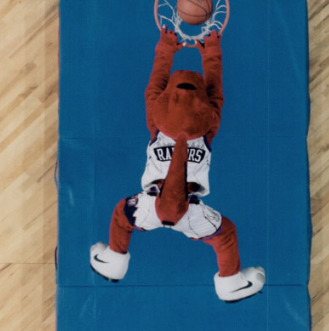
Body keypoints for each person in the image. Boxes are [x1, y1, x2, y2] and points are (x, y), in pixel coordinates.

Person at [89, 29, 265, 302]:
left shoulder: (156, 123)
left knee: (122, 216)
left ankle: (114, 259)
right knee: (226, 235)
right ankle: (230, 283)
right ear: (204, 107)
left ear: (165, 101)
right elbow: (216, 92)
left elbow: (155, 86)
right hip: (190, 212)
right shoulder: (208, 126)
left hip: (149, 204)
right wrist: (211, 53)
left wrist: (166, 48)